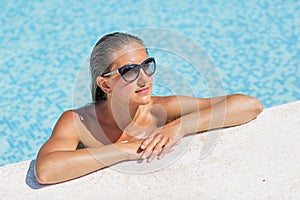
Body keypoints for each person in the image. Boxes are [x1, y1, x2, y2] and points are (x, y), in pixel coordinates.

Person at [35, 32, 263, 184]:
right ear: (105, 84)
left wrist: (179, 127)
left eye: (147, 66)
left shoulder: (160, 109)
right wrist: (125, 149)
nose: (144, 79)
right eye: (130, 71)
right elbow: (46, 170)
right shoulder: (79, 122)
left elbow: (249, 105)